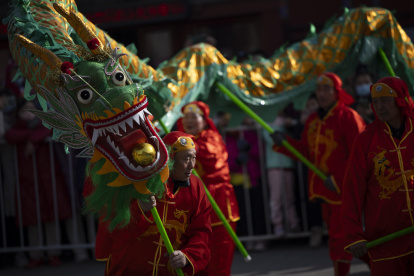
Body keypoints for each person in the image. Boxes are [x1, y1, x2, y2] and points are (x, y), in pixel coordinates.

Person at [272, 72, 366, 276]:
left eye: (326, 89)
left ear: (337, 92)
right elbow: (305, 151)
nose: (321, 94)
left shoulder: (348, 116)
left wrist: (338, 179)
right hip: (325, 190)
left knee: (344, 237)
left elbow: (359, 155)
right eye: (319, 89)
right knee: (338, 237)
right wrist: (285, 143)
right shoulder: (313, 119)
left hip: (344, 189)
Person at [93, 131, 212, 275]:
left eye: (194, 158)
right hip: (130, 268)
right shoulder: (140, 181)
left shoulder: (195, 186)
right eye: (186, 159)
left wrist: (188, 256)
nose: (192, 165)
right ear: (171, 159)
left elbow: (201, 230)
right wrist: (140, 209)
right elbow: (116, 227)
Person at [342, 76, 414, 275]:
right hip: (385, 239)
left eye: (385, 100)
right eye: (375, 102)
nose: (380, 106)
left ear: (399, 100)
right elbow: (352, 191)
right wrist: (354, 234)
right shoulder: (365, 141)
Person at [5, 99, 72, 268]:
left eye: (32, 108)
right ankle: (35, 255)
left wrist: (32, 140)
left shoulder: (44, 124)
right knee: (32, 220)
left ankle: (53, 253)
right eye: (25, 109)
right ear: (18, 112)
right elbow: (9, 136)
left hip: (47, 178)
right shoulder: (17, 128)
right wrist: (31, 138)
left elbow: (49, 129)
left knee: (52, 216)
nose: (29, 111)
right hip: (28, 181)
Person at [177, 101, 240, 276]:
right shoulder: (181, 143)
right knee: (196, 266)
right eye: (185, 117)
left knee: (218, 264)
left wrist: (184, 145)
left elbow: (210, 156)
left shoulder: (212, 138)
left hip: (218, 205)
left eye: (193, 117)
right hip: (192, 210)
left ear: (204, 121)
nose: (189, 121)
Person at [263, 111, 300, 238]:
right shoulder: (267, 121)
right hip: (274, 166)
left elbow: (290, 141)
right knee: (276, 198)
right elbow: (271, 140)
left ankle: (293, 223)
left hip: (287, 164)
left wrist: (287, 125)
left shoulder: (287, 121)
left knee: (290, 197)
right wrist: (280, 126)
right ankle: (278, 225)